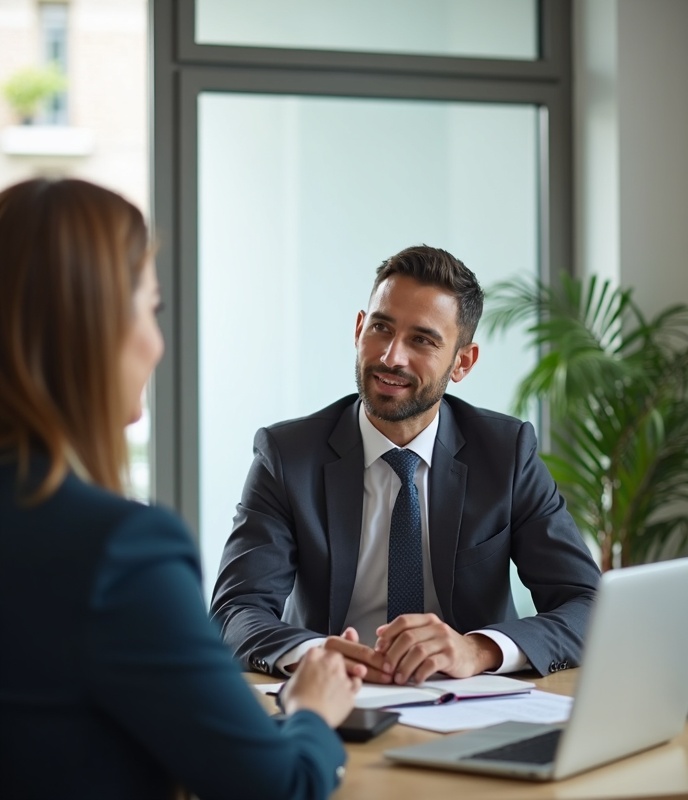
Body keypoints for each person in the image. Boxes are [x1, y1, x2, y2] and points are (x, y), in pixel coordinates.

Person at [0, 178, 363, 800]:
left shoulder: (504, 446)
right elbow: (280, 788)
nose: (158, 342)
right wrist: (311, 710)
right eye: (152, 308)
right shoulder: (119, 549)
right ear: (93, 329)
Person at [211, 245, 601, 686]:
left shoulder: (506, 454)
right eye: (381, 328)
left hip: (470, 700)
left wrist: (477, 649)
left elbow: (588, 605)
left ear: (463, 362)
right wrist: (317, 655)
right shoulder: (287, 456)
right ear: (359, 329)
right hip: (337, 699)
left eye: (422, 340)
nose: (391, 357)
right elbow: (235, 610)